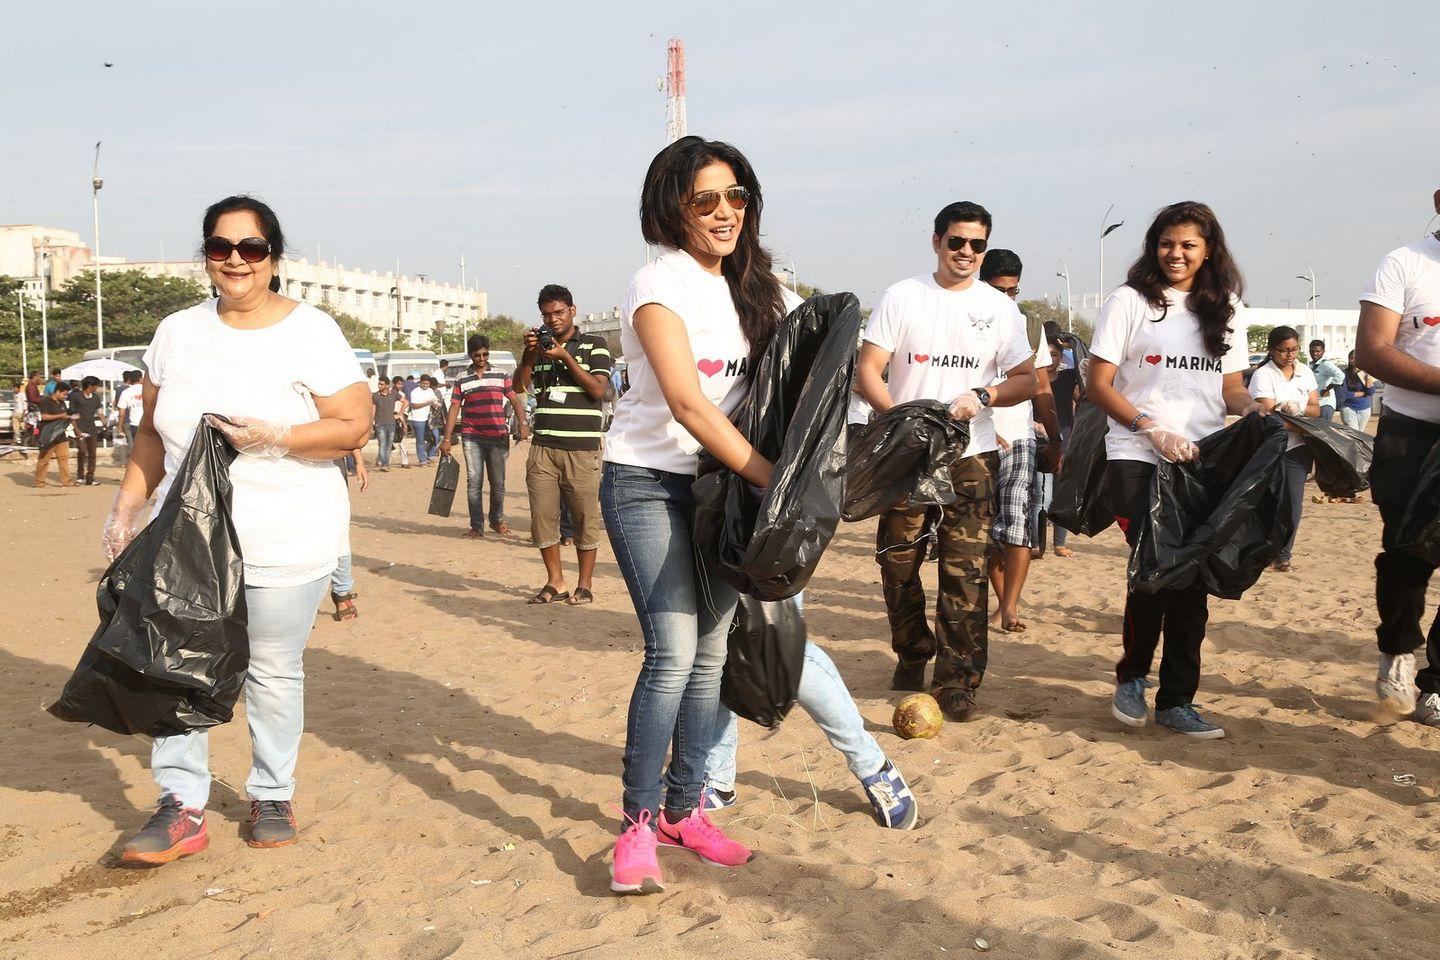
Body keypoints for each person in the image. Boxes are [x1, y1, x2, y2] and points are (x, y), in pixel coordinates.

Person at [102, 195, 371, 864]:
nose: (235, 261)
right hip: (184, 537)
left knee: (273, 670)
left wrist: (278, 434)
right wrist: (125, 508)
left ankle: (272, 792)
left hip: (285, 532)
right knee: (173, 668)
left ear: (273, 258)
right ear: (206, 257)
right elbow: (149, 434)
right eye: (221, 248)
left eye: (250, 249)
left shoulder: (311, 330)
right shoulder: (176, 331)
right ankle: (181, 804)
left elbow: (353, 425)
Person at [602, 136, 795, 893]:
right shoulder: (659, 283)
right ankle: (637, 826)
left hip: (723, 491)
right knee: (673, 652)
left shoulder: (757, 288)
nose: (725, 213)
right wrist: (770, 476)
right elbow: (686, 401)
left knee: (712, 655)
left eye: (736, 196)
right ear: (671, 208)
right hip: (648, 482)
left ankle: (688, 810)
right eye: (705, 199)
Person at [856, 200, 1037, 721]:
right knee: (898, 562)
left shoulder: (1000, 308)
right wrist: (899, 423)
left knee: (967, 570)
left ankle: (958, 680)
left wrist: (983, 396)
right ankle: (913, 652)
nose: (966, 252)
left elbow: (1027, 380)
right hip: (907, 458)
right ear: (937, 241)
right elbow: (870, 369)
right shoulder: (903, 296)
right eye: (956, 241)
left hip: (972, 455)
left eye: (976, 245)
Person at [1087, 200, 1255, 741]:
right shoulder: (1131, 301)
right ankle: (1132, 677)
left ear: (1209, 251)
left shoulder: (1227, 307)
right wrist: (1149, 427)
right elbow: (1099, 383)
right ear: (1152, 246)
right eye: (1166, 243)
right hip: (1137, 455)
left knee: (1192, 581)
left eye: (1188, 245)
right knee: (1155, 566)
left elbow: (1230, 389)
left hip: (1202, 462)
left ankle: (1178, 699)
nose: (1175, 254)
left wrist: (1259, 409)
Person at [1356, 191, 1440, 725]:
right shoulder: (1404, 263)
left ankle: (1438, 684)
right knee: (1410, 552)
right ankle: (1398, 652)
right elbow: (1372, 350)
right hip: (1411, 435)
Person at [979, 249, 1062, 632]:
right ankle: (1000, 602)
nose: (1006, 299)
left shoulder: (1028, 327)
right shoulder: (962, 319)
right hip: (974, 440)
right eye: (999, 290)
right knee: (984, 529)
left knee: (1017, 525)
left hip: (1020, 436)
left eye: (1013, 291)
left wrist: (1057, 438)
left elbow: (1042, 384)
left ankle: (1009, 607)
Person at [516, 284, 612, 606]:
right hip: (543, 447)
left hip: (582, 448)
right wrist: (530, 353)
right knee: (542, 517)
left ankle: (584, 585)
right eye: (547, 315)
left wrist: (565, 357)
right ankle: (555, 581)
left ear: (573, 310)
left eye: (559, 312)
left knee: (585, 517)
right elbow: (520, 386)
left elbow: (598, 391)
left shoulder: (595, 345)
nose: (553, 319)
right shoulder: (539, 347)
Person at [440, 334, 528, 538]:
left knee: (498, 483)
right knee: (473, 481)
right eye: (478, 355)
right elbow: (454, 408)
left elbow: (515, 401)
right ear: (471, 355)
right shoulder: (462, 378)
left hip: (498, 436)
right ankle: (476, 525)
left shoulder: (501, 375)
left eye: (485, 354)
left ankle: (496, 520)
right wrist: (446, 439)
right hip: (472, 436)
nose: (482, 358)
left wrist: (523, 423)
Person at [1248, 325, 1320, 572]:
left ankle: (1284, 553)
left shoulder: (1305, 373)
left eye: (1294, 350)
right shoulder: (1263, 375)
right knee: (1267, 500)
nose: (1289, 355)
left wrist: (1295, 412)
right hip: (1268, 447)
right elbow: (1267, 412)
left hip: (1298, 447)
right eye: (1283, 351)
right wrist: (1292, 419)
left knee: (1293, 502)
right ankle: (1262, 547)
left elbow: (1315, 409)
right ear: (1272, 350)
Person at [1039, 337, 1081, 557]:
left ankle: (1059, 544)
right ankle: (1037, 545)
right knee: (1038, 497)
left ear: (1061, 356)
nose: (1050, 359)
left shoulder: (1068, 378)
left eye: (1055, 354)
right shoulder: (1033, 380)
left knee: (1061, 494)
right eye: (1046, 354)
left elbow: (1083, 398)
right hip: (1038, 440)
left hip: (1065, 441)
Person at [331, 449, 368, 620]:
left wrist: (359, 461)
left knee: (338, 533)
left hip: (330, 466)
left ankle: (341, 594)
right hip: (284, 468)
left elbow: (345, 426)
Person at [34, 380, 77, 487]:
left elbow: (65, 415)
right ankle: (39, 481)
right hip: (48, 435)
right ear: (57, 391)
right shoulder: (46, 401)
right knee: (44, 459)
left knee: (63, 457)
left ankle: (66, 481)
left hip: (61, 434)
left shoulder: (62, 403)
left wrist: (71, 417)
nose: (65, 397)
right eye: (64, 394)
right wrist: (60, 416)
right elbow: (44, 417)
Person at [70, 376, 105, 485]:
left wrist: (105, 423)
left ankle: (90, 477)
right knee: (81, 451)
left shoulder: (96, 398)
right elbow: (72, 414)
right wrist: (76, 429)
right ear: (90, 386)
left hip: (92, 427)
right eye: (96, 385)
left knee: (92, 453)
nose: (97, 388)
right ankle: (80, 475)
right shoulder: (76, 397)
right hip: (80, 426)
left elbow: (100, 412)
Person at [1337, 350, 1376, 433]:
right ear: (1348, 359)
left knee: (1361, 434)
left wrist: (1367, 378)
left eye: (1357, 358)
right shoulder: (1344, 373)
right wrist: (1363, 393)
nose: (1354, 361)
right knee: (1352, 433)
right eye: (1352, 358)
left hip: (1365, 409)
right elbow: (1345, 394)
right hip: (1348, 408)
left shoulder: (1365, 373)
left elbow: (1371, 392)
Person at [371, 377, 403, 471]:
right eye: (379, 384)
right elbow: (373, 409)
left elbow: (405, 402)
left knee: (389, 445)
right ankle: (384, 465)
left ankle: (385, 463)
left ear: (387, 385)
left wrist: (400, 414)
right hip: (379, 423)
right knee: (382, 444)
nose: (379, 386)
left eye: (382, 384)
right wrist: (372, 422)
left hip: (391, 423)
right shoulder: (375, 396)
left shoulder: (393, 394)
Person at [407, 374, 440, 465]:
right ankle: (422, 460)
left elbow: (435, 401)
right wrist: (427, 403)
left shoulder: (430, 391)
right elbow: (413, 405)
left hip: (430, 419)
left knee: (436, 436)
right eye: (423, 383)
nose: (425, 385)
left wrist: (435, 404)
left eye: (427, 383)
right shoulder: (415, 392)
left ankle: (430, 454)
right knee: (420, 440)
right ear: (420, 383)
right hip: (418, 419)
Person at [1309, 340, 1344, 422]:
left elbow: (1340, 375)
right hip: (1314, 403)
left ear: (1323, 351)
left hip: (1325, 403)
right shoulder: (1311, 365)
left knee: (1323, 430)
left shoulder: (1326, 364)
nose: (1315, 354)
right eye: (1312, 351)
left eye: (1318, 351)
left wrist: (1327, 389)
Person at [117, 373, 145, 450]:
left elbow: (122, 413)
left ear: (130, 380)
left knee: (136, 449)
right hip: (148, 423)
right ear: (140, 379)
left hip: (134, 424)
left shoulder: (126, 392)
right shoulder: (147, 389)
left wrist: (119, 427)